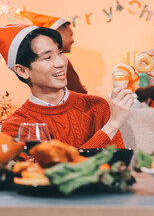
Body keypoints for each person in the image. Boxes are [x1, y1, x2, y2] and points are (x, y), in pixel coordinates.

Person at [0, 24, 134, 148]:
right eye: (48, 57)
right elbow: (47, 174)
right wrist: (112, 125)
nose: (61, 63)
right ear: (22, 71)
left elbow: (118, 167)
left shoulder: (97, 107)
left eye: (60, 52)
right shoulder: (16, 126)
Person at [20, 9, 87, 94]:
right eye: (70, 35)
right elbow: (77, 93)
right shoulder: (60, 63)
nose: (72, 40)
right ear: (58, 33)